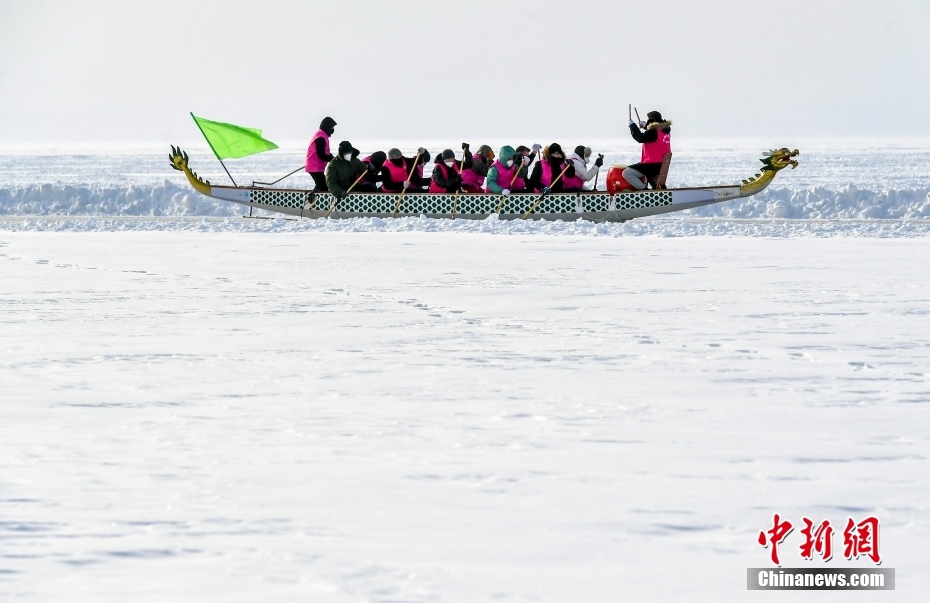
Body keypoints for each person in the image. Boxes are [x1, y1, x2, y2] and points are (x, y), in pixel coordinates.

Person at [624, 110, 672, 189]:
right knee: (640, 170)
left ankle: (644, 190)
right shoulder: (665, 131)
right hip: (661, 165)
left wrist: (632, 126)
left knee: (627, 173)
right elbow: (653, 135)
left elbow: (640, 138)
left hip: (651, 165)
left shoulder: (653, 132)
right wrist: (646, 126)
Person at [305, 116, 337, 191]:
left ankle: (314, 196)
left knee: (323, 185)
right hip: (314, 166)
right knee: (322, 186)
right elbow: (321, 155)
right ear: (327, 127)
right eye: (332, 127)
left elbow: (325, 152)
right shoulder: (320, 138)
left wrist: (331, 157)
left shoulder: (322, 135)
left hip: (317, 166)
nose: (332, 130)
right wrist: (332, 159)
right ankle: (311, 199)